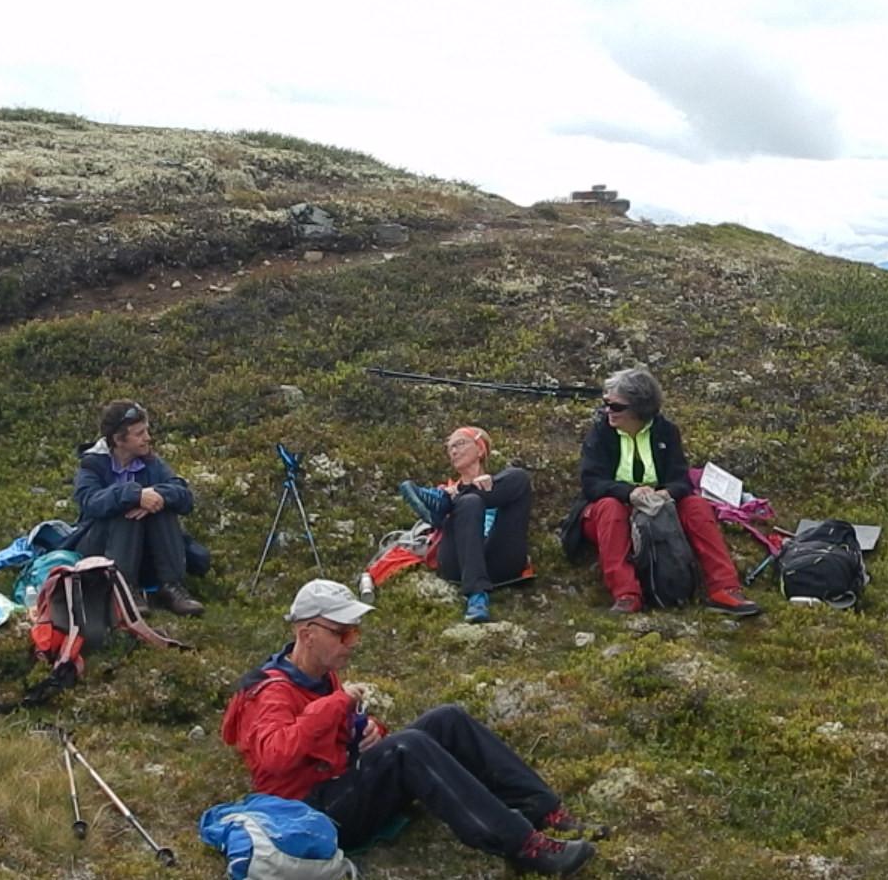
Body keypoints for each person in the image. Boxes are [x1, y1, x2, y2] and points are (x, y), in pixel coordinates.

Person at [223, 580, 600, 874]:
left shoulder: (320, 675)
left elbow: (325, 735)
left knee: (447, 719)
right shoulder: (269, 693)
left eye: (355, 632)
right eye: (343, 633)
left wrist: (367, 731)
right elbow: (275, 757)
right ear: (306, 634)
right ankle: (523, 845)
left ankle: (544, 809)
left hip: (340, 783)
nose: (352, 642)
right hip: (312, 813)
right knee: (409, 747)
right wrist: (336, 706)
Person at [572, 368, 763, 617]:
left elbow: (681, 479)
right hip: (608, 511)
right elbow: (591, 483)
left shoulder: (666, 432)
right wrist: (629, 493)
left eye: (617, 407)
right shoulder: (601, 433)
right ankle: (626, 594)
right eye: (606, 404)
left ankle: (725, 588)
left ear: (639, 409)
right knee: (610, 508)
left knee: (696, 506)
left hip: (658, 508)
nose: (609, 411)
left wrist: (666, 494)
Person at [73, 400, 209, 614]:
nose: (147, 438)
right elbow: (90, 502)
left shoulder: (150, 462)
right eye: (139, 433)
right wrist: (134, 495)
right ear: (119, 440)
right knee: (125, 510)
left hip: (143, 551)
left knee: (160, 504)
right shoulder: (93, 464)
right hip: (101, 548)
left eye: (146, 431)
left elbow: (184, 496)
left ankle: (171, 587)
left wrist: (156, 497)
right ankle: (124, 589)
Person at [418, 426, 542, 624]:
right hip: (458, 562)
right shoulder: (444, 491)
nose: (454, 451)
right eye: (450, 448)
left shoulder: (502, 484)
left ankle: (465, 495)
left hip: (500, 560)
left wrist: (488, 484)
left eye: (459, 444)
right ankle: (476, 596)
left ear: (480, 449)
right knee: (469, 503)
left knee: (519, 477)